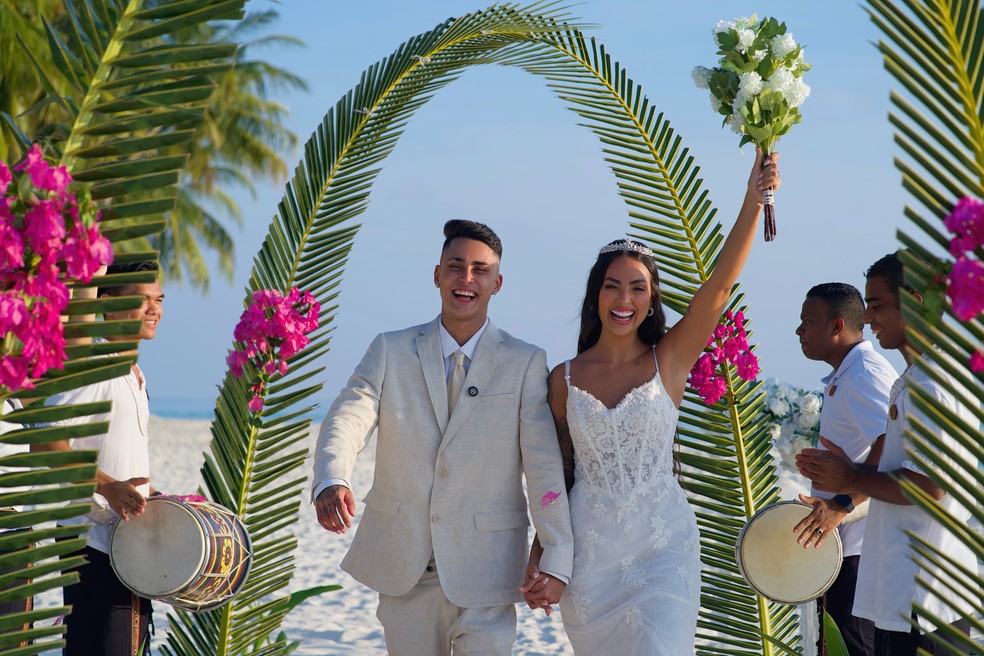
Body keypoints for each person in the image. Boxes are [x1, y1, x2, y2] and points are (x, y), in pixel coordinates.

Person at [521, 150, 781, 654]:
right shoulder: (563, 379)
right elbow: (559, 476)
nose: (624, 299)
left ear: (651, 298)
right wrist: (544, 553)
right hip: (590, 563)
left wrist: (753, 200)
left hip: (664, 553)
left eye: (637, 288)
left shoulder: (671, 359)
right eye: (612, 286)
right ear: (596, 295)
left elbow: (720, 287)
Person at [311, 220, 574, 656]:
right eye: (456, 266)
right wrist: (331, 478)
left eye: (479, 270)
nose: (466, 279)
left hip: (488, 572)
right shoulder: (390, 349)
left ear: (497, 283)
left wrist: (557, 556)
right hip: (403, 568)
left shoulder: (525, 362)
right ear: (437, 275)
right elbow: (347, 415)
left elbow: (544, 465)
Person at [796, 252, 978, 655]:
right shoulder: (916, 378)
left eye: (876, 305)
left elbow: (931, 486)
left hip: (927, 599)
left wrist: (849, 484)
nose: (869, 318)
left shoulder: (934, 384)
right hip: (904, 592)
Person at [34, 260, 164, 656]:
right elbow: (44, 436)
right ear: (106, 304)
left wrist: (153, 495)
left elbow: (117, 454)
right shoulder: (97, 365)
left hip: (124, 545)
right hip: (90, 543)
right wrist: (107, 486)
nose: (154, 309)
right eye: (142, 300)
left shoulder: (134, 374)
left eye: (158, 300)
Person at [792, 282, 897, 656]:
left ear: (837, 326)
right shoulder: (848, 373)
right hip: (845, 549)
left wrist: (841, 504)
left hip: (859, 552)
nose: (799, 330)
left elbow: (893, 441)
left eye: (808, 321)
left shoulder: (864, 372)